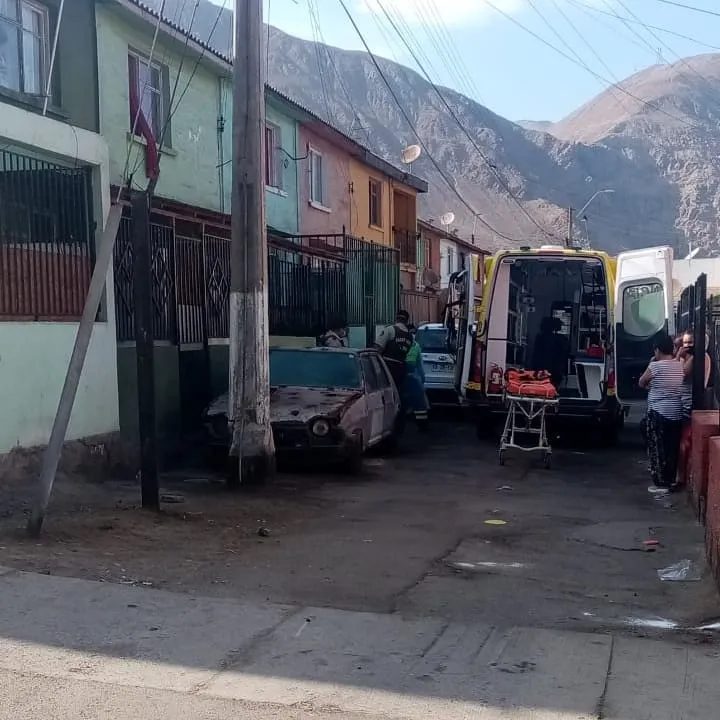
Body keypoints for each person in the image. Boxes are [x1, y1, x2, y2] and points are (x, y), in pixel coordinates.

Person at [638, 331, 685, 493]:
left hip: (659, 413)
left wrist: (650, 385)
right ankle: (670, 479)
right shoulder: (679, 364)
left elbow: (641, 382)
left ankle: (660, 483)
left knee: (657, 448)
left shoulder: (655, 366)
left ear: (657, 349)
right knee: (672, 448)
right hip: (676, 413)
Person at [374, 310, 413, 389]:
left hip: (387, 369)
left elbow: (377, 348)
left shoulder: (390, 330)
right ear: (407, 321)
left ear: (396, 318)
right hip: (401, 370)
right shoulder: (410, 336)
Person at [403, 330, 430, 430]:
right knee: (419, 401)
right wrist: (422, 378)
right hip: (412, 376)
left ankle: (403, 422)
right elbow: (419, 364)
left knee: (402, 399)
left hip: (401, 375)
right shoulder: (416, 346)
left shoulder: (401, 345)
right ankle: (422, 425)